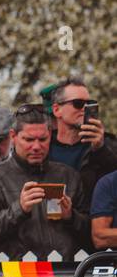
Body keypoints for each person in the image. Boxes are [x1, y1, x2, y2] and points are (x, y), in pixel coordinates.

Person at [0, 105, 86, 259]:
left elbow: (92, 232)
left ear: (50, 135)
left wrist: (72, 217)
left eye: (42, 139)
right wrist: (19, 209)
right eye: (29, 139)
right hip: (14, 275)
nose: (36, 146)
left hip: (64, 273)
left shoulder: (69, 175)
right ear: (13, 136)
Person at [47, 77, 116, 210]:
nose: (85, 108)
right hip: (51, 223)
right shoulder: (43, 146)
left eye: (89, 103)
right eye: (78, 103)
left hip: (91, 225)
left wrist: (101, 149)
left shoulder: (107, 144)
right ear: (56, 110)